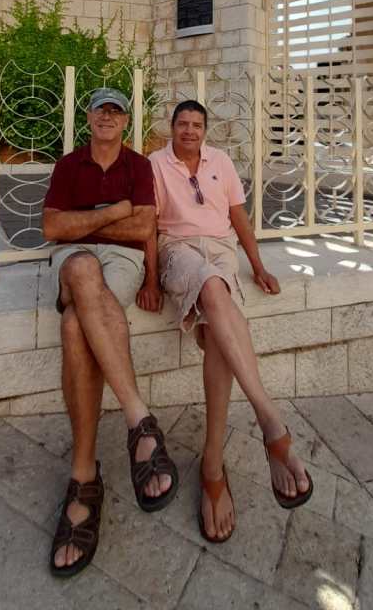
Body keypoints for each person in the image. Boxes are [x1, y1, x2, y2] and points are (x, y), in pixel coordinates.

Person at [139, 99, 312, 543]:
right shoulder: (155, 164)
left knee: (220, 333)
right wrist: (151, 280)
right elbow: (148, 226)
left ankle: (213, 464)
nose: (189, 131)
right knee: (216, 292)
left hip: (220, 250)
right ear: (171, 127)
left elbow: (238, 217)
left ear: (205, 130)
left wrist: (258, 266)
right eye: (182, 124)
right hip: (178, 250)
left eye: (197, 125)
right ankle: (269, 420)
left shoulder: (221, 162)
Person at [43, 87, 179, 577]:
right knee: (81, 267)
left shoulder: (138, 166)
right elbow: (52, 229)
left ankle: (84, 477)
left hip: (122, 261)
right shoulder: (68, 165)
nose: (106, 116)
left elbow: (144, 229)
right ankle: (139, 420)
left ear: (125, 121)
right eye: (99, 109)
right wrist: (112, 212)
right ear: (88, 117)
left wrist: (87, 225)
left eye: (115, 111)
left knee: (75, 322)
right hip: (72, 259)